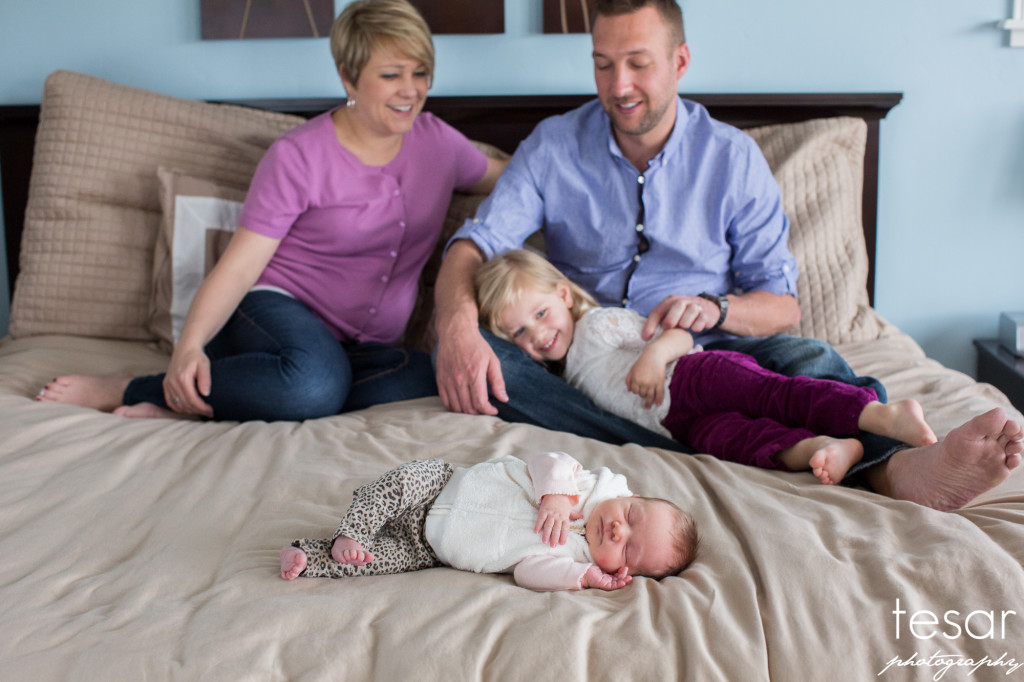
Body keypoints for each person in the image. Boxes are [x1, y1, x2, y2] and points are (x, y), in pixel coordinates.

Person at [432, 0, 1024, 511]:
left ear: (679, 62)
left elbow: (781, 306)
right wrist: (457, 325)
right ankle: (704, 437)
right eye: (603, 64)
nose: (619, 87)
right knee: (496, 368)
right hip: (591, 372)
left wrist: (713, 310)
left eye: (638, 63)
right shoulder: (553, 147)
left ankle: (893, 467)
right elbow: (475, 245)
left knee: (809, 357)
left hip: (712, 350)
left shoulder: (732, 158)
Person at [36, 0, 506, 422]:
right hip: (272, 312)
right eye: (391, 74)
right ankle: (140, 386)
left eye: (420, 72)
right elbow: (239, 267)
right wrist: (188, 347)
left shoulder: (438, 142)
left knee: (425, 375)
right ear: (348, 77)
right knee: (312, 384)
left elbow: (510, 178)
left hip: (362, 347)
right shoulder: (298, 156)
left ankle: (236, 397)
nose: (410, 90)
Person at [477, 250, 959, 485]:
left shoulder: (598, 324)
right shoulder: (559, 376)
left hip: (694, 377)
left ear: (564, 296)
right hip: (679, 424)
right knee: (744, 444)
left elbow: (677, 335)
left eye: (540, 315)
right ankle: (826, 448)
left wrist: (652, 357)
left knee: (779, 393)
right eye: (518, 334)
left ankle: (881, 419)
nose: (537, 336)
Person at [279, 451, 699, 591]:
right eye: (631, 516)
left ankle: (307, 557)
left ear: (622, 569)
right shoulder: (585, 486)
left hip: (430, 548)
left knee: (373, 561)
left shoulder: (572, 558)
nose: (617, 529)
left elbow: (528, 572)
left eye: (628, 546)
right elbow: (547, 460)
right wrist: (553, 496)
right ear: (631, 496)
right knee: (398, 484)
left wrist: (584, 577)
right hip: (442, 486)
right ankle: (353, 529)